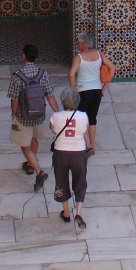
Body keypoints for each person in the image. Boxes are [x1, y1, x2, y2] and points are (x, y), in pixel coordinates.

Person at [8, 44, 58, 191]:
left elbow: (14, 99)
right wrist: (58, 112)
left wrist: (13, 113)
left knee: (24, 144)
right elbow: (49, 95)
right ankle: (30, 163)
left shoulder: (17, 76)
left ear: (24, 56)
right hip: (38, 115)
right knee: (34, 138)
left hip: (23, 116)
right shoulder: (43, 74)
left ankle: (38, 171)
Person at [67, 32, 114, 156]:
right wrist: (104, 88)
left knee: (79, 117)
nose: (77, 44)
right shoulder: (99, 54)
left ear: (83, 43)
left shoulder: (79, 57)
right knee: (92, 118)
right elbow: (112, 68)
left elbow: (71, 73)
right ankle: (92, 144)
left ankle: (87, 146)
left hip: (83, 91)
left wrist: (72, 88)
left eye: (78, 42)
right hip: (97, 91)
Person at [48, 87, 90, 229]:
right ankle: (79, 213)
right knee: (80, 182)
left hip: (60, 153)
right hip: (78, 153)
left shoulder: (56, 116)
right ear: (77, 101)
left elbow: (53, 129)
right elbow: (84, 130)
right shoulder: (83, 116)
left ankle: (66, 213)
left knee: (61, 181)